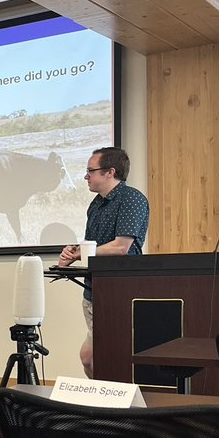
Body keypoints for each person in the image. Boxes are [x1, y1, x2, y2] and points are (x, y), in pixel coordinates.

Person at [58, 146, 150, 378]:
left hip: (119, 292)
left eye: (91, 171)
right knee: (90, 358)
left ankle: (115, 408)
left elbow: (121, 247)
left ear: (110, 172)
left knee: (104, 356)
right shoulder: (96, 204)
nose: (86, 176)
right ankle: (102, 406)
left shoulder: (132, 199)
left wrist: (82, 253)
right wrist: (74, 252)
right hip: (93, 291)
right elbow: (95, 248)